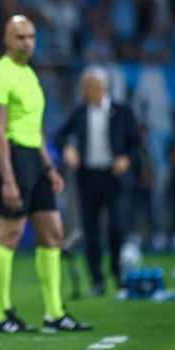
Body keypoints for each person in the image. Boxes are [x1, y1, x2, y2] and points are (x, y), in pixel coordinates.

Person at [0, 15, 91, 335]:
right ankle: (2, 314)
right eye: (20, 37)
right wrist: (8, 179)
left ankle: (54, 313)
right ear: (6, 39)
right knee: (9, 235)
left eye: (31, 36)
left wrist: (49, 166)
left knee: (53, 233)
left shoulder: (29, 74)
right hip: (13, 157)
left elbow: (37, 127)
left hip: (34, 158)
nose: (27, 42)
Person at [54, 66, 140, 297]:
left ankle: (118, 274)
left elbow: (135, 143)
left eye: (87, 84)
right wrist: (68, 148)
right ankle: (97, 280)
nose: (83, 89)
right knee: (90, 230)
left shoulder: (121, 111)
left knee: (116, 227)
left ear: (101, 86)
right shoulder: (79, 112)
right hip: (88, 176)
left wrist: (126, 159)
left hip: (114, 177)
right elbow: (59, 135)